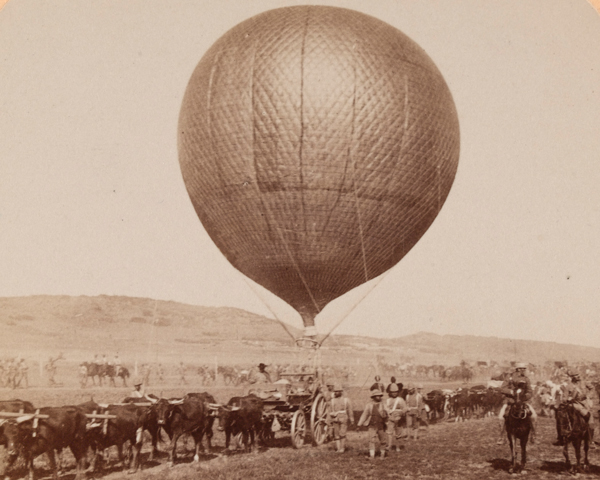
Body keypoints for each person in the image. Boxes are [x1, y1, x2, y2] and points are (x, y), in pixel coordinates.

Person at [497, 362, 537, 445]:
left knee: (534, 416)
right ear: (517, 369)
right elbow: (502, 389)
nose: (523, 370)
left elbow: (530, 391)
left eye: (524, 369)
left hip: (523, 402)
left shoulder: (526, 379)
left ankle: (533, 436)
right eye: (521, 368)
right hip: (510, 402)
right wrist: (511, 391)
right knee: (501, 417)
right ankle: (501, 437)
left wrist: (524, 396)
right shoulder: (509, 377)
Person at [358, 389, 388, 459]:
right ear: (373, 397)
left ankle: (382, 454)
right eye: (377, 396)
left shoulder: (383, 405)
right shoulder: (369, 405)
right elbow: (365, 415)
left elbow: (388, 413)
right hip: (372, 425)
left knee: (383, 440)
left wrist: (387, 416)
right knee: (371, 440)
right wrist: (359, 424)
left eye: (380, 396)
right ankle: (372, 455)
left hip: (381, 425)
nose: (379, 397)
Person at [329, 384, 354, 453]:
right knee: (336, 434)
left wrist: (351, 419)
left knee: (342, 434)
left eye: (338, 391)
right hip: (335, 419)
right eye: (335, 391)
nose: (336, 393)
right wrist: (329, 421)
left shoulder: (346, 400)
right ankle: (338, 448)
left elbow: (350, 410)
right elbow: (330, 411)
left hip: (343, 418)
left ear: (341, 392)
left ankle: (342, 448)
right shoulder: (332, 401)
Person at [385, 383, 407, 451]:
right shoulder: (388, 400)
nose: (394, 393)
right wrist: (388, 414)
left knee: (398, 434)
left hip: (398, 418)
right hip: (391, 418)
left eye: (395, 392)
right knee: (389, 433)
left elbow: (405, 408)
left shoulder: (400, 400)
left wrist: (401, 414)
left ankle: (398, 447)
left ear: (398, 392)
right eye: (392, 392)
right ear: (390, 393)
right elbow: (386, 408)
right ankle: (390, 445)